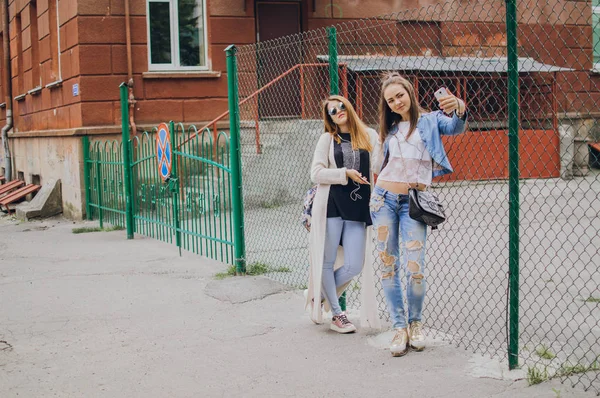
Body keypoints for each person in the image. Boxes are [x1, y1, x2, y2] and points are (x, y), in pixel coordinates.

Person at [370, 73, 467, 356]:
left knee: (416, 268)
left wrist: (459, 106)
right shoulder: (387, 129)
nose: (396, 102)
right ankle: (399, 327)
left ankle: (415, 324)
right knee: (388, 266)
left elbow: (456, 127)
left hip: (414, 202)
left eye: (399, 95)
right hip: (383, 200)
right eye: (390, 100)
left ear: (410, 93)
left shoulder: (430, 120)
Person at [305, 95, 381, 333]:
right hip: (331, 206)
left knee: (354, 265)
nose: (337, 111)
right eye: (331, 111)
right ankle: (338, 314)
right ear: (329, 118)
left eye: (340, 107)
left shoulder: (369, 135)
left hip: (358, 208)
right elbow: (316, 173)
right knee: (327, 261)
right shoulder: (327, 139)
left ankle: (318, 293)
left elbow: (379, 166)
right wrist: (344, 173)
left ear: (348, 107)